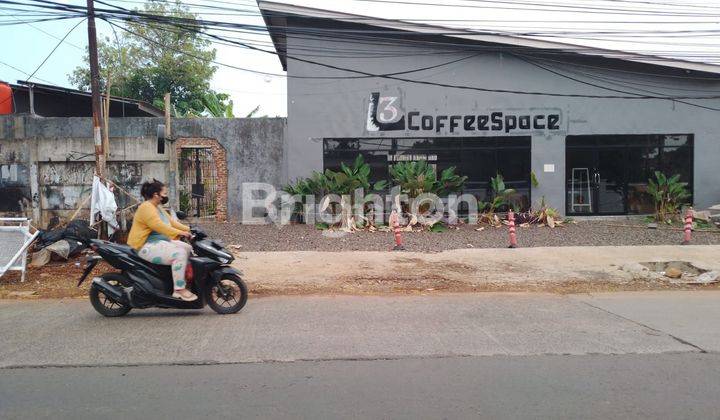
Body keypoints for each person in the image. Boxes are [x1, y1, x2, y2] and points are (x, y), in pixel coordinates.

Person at [127, 179, 197, 301]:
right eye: (164, 194)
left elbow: (171, 222)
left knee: (187, 247)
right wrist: (181, 233)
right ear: (156, 195)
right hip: (145, 246)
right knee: (179, 254)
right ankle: (179, 290)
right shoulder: (146, 208)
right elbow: (159, 226)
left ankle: (184, 279)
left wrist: (190, 229)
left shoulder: (157, 207)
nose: (166, 196)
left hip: (159, 242)